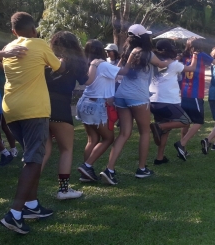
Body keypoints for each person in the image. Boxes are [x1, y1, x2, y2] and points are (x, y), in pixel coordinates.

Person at [0, 12, 66, 234]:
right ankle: (15, 214)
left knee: (31, 156)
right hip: (33, 110)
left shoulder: (8, 48)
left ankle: (32, 205)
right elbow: (60, 69)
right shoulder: (39, 44)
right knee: (34, 159)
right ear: (34, 29)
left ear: (14, 32)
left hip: (10, 109)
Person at [105, 24, 172, 182]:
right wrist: (171, 59)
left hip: (121, 95)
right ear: (143, 38)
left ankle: (109, 169)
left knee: (124, 133)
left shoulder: (126, 53)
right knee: (144, 132)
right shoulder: (146, 53)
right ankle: (141, 169)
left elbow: (120, 71)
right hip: (138, 97)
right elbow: (162, 65)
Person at [76, 39, 134, 185]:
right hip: (97, 105)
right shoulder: (102, 64)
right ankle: (87, 166)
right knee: (108, 138)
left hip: (84, 103)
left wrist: (120, 60)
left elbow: (112, 72)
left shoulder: (90, 64)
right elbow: (125, 72)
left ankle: (86, 173)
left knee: (92, 139)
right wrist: (131, 58)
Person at [41, 31, 88, 200]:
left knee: (43, 151)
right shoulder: (75, 63)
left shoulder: (45, 60)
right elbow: (86, 80)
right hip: (61, 110)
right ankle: (63, 190)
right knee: (66, 150)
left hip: (41, 109)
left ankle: (28, 187)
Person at [173, 38, 215, 160]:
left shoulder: (183, 56)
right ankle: (182, 143)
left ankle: (182, 150)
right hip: (195, 94)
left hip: (184, 93)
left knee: (186, 122)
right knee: (198, 122)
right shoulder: (200, 55)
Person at [148, 40, 196, 164]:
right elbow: (192, 68)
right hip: (168, 101)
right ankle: (158, 127)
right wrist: (195, 55)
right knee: (186, 121)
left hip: (153, 101)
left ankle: (160, 158)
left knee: (165, 131)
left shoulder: (153, 62)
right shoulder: (174, 64)